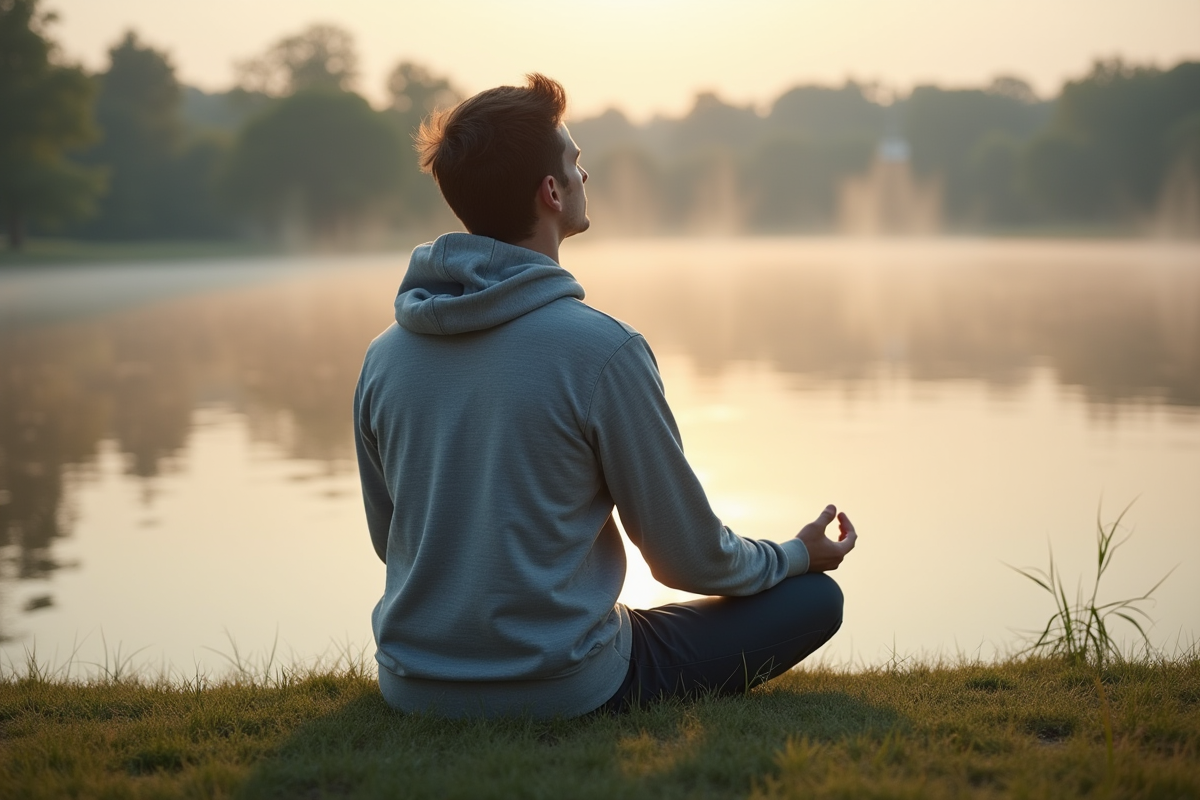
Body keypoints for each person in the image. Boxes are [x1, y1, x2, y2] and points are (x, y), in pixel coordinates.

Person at [353, 74, 856, 719]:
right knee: (814, 601)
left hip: (414, 682)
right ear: (552, 191)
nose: (586, 178)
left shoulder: (383, 355)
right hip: (563, 684)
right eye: (577, 163)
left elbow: (389, 538)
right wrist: (794, 555)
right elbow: (687, 558)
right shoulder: (602, 350)